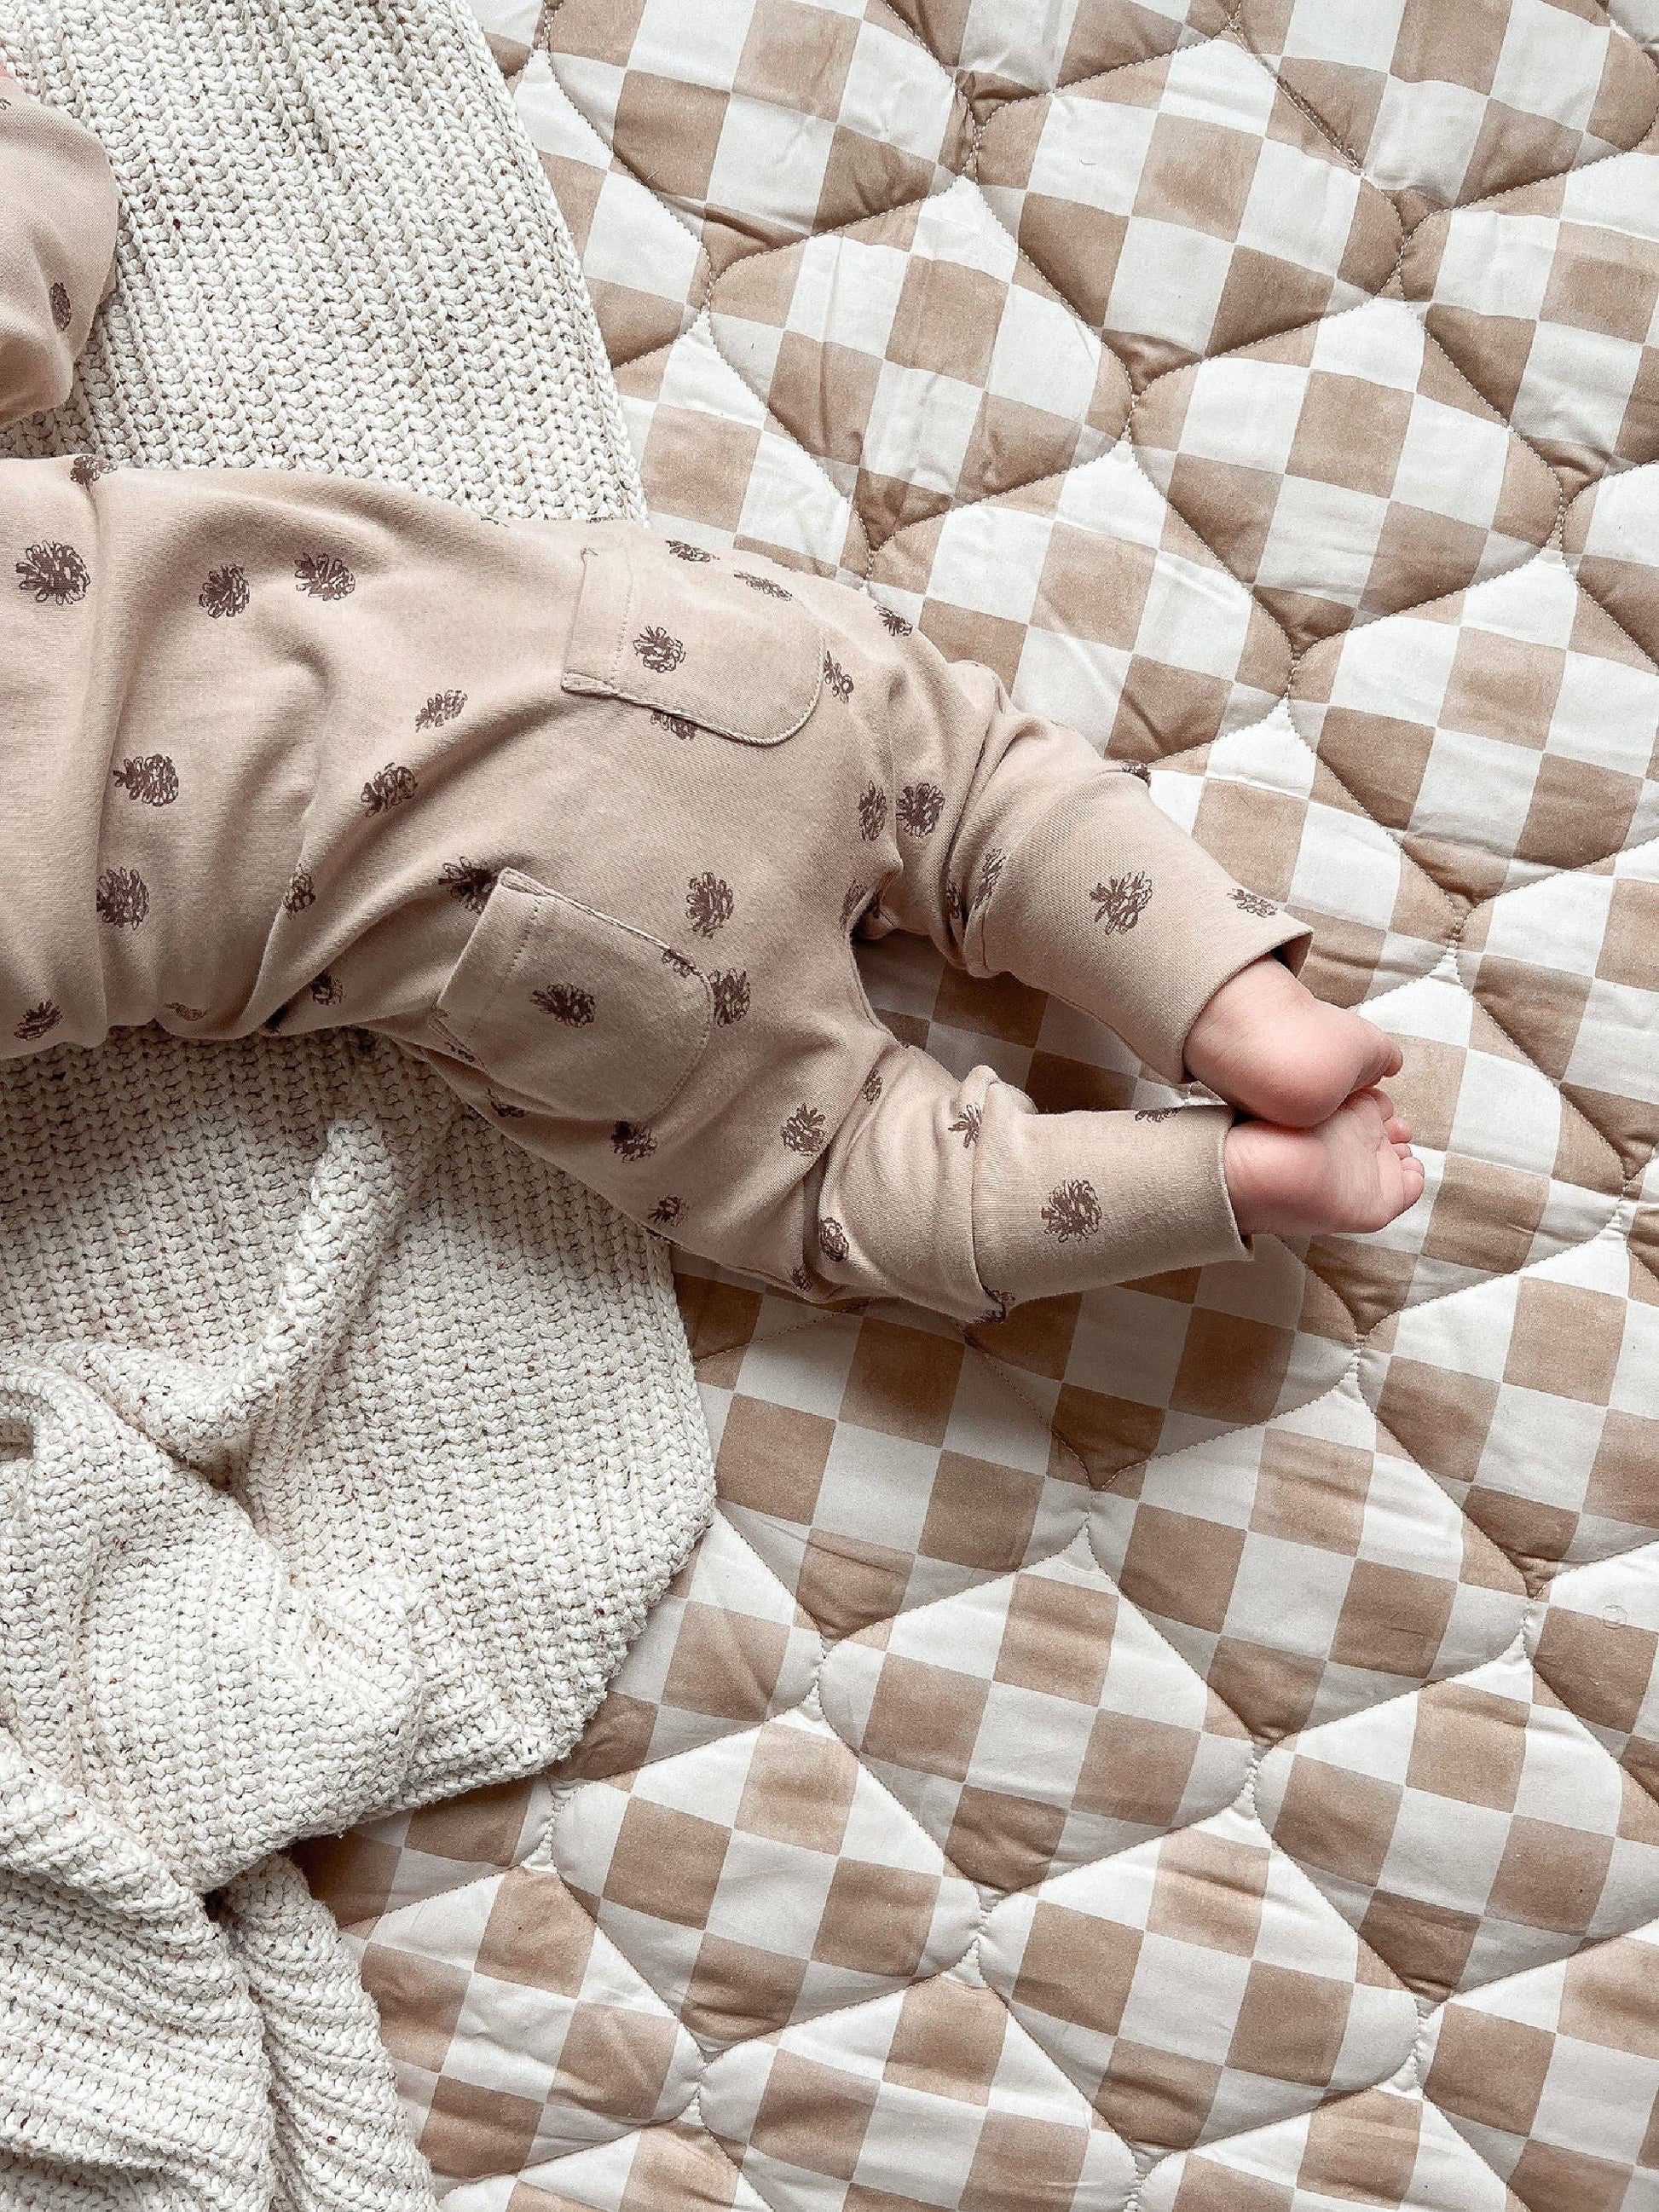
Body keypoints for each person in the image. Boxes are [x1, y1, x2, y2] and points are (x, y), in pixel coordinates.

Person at [0, 78, 1422, 1327]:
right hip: (641, 652)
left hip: (541, 951)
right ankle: (1239, 1003)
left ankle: (1256, 1174)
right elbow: (46, 213)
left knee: (846, 1180)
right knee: (981, 786)